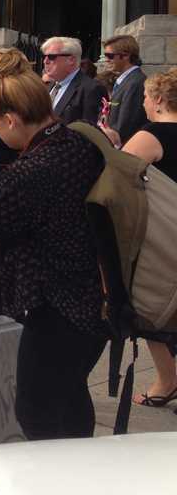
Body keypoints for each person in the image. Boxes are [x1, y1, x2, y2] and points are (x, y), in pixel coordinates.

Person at [0, 49, 107, 441]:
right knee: (71, 396)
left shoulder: (32, 170)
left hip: (58, 306)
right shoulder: (78, 141)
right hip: (96, 297)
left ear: (11, 119)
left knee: (38, 411)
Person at [121, 67, 177, 407]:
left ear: (158, 98)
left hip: (162, 237)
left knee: (150, 306)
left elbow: (117, 175)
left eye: (144, 96)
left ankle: (166, 380)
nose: (142, 102)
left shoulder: (153, 134)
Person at [41, 36, 106, 126]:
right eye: (44, 56)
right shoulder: (49, 86)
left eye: (51, 57)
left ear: (71, 60)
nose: (45, 61)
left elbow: (89, 131)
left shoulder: (91, 88)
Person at [100, 35, 148, 147]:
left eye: (110, 56)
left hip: (124, 146)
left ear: (126, 55)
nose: (106, 60)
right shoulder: (125, 80)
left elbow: (125, 124)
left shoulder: (135, 82)